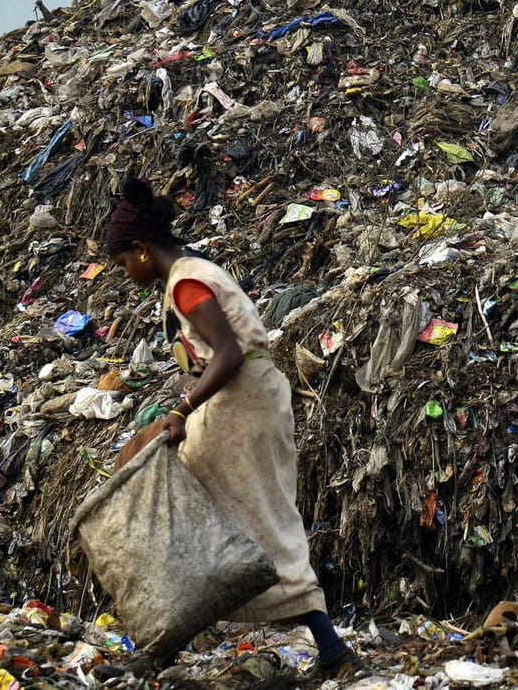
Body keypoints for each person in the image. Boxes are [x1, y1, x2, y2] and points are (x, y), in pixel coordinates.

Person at [102, 176, 357, 674]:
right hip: (242, 403)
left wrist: (179, 411)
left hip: (240, 406)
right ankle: (164, 648)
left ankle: (328, 648)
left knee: (233, 517)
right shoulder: (190, 272)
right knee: (213, 518)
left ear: (141, 249)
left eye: (122, 262)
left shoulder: (187, 282)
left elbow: (229, 354)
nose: (124, 271)